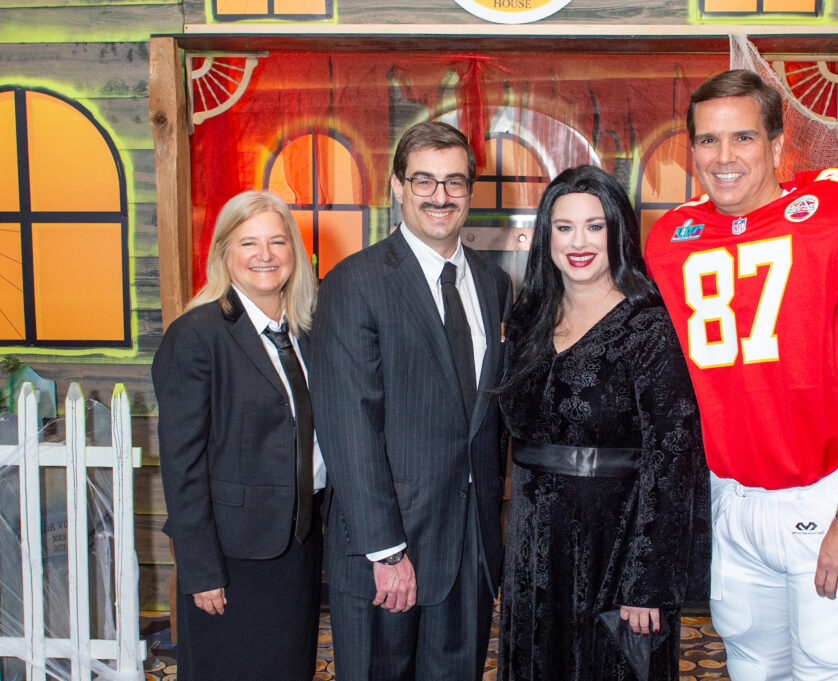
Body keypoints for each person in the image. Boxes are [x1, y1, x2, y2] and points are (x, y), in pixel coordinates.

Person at [644, 69, 838, 681]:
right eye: (707, 140)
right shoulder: (671, 238)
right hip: (733, 495)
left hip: (827, 490)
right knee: (752, 666)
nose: (723, 157)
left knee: (830, 668)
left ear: (779, 145)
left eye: (743, 138)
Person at [310, 121, 513, 681]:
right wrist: (386, 552)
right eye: (423, 180)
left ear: (470, 190)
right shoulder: (355, 282)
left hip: (469, 543)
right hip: (388, 548)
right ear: (397, 187)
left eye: (454, 182)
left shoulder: (494, 283)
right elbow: (349, 425)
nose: (440, 196)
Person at [498, 165, 711, 681]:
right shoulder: (529, 317)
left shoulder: (649, 325)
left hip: (614, 549)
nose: (579, 242)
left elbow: (674, 458)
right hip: (533, 550)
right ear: (546, 235)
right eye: (565, 227)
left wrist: (646, 583)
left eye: (595, 226)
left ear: (617, 233)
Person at [152, 190, 324, 681]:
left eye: (277, 241)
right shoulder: (197, 335)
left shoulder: (305, 332)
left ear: (295, 251)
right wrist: (201, 568)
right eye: (249, 242)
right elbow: (182, 467)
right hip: (229, 557)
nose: (265, 255)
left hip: (297, 545)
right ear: (225, 252)